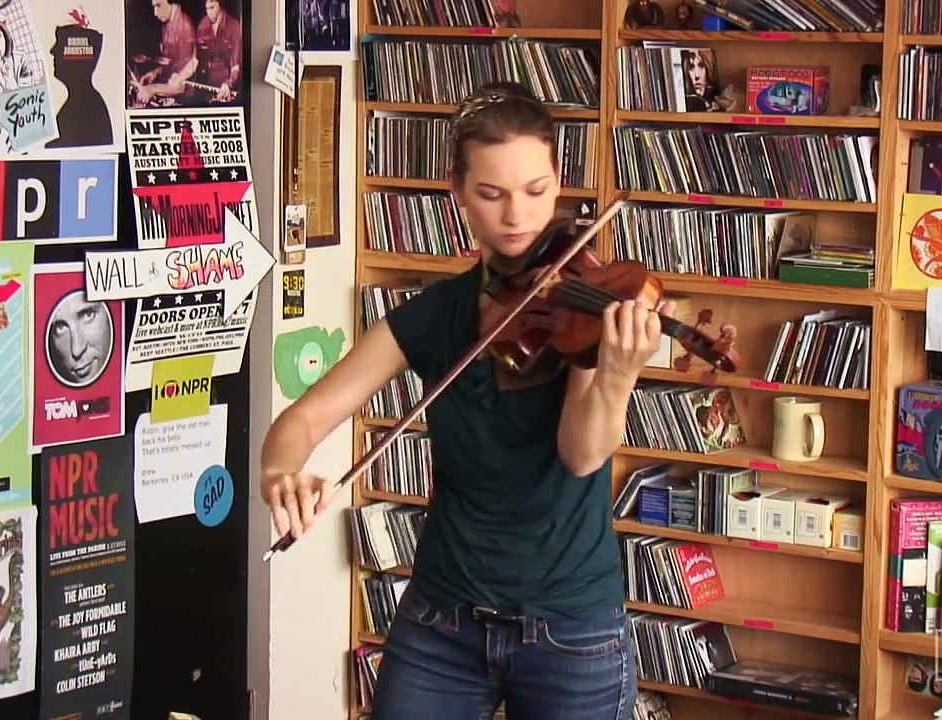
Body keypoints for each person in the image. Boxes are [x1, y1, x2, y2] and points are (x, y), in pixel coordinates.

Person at [259, 81, 670, 719]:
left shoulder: (582, 306)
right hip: (441, 623)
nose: (517, 216)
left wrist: (615, 374)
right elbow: (304, 417)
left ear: (559, 184)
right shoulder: (434, 316)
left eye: (536, 192)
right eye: (491, 194)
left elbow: (582, 455)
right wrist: (280, 474)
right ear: (457, 194)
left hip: (570, 629)